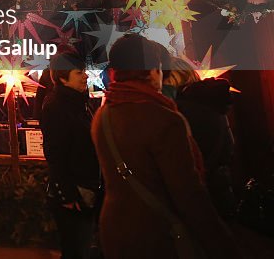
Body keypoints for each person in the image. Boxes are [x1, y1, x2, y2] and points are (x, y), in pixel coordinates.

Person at [91, 34, 240, 258]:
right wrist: (223, 245)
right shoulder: (164, 118)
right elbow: (188, 193)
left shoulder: (103, 114)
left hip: (115, 230)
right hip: (157, 236)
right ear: (152, 70)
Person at [40, 51, 99, 259]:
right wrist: (67, 194)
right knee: (76, 249)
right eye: (78, 72)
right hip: (74, 193)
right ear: (63, 77)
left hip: (87, 187)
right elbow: (55, 153)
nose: (85, 76)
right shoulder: (56, 106)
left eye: (84, 71)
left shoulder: (81, 102)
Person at [165, 56, 238, 218]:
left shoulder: (179, 112)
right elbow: (229, 148)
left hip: (195, 202)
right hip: (220, 195)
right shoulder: (213, 104)